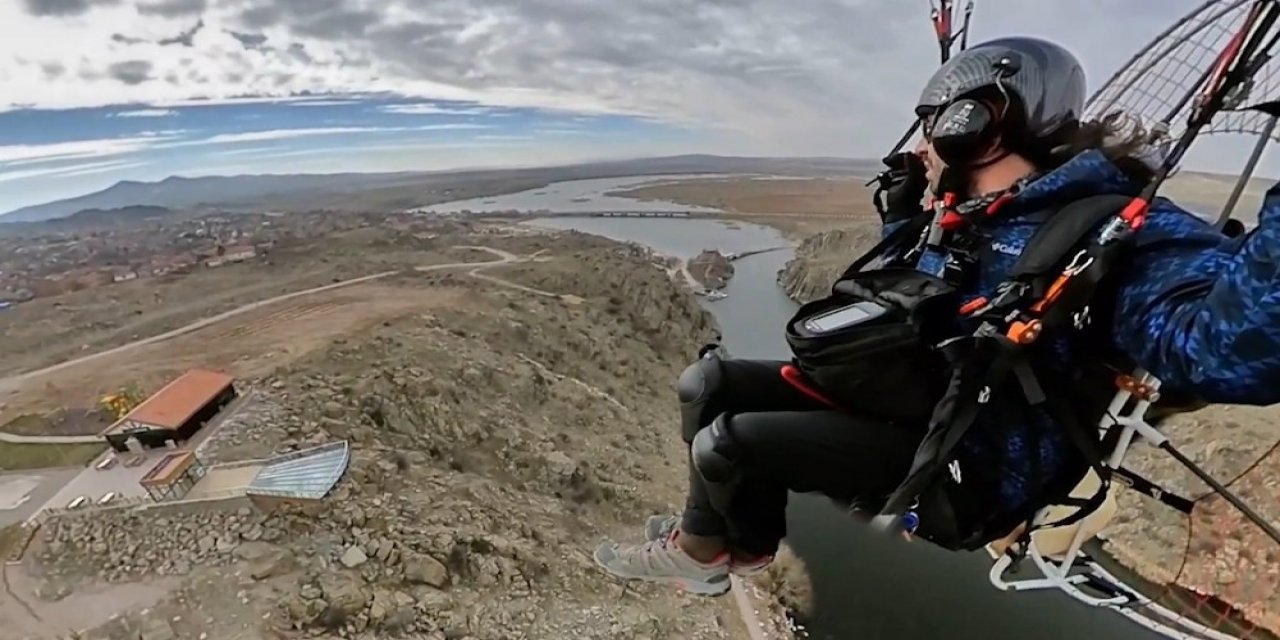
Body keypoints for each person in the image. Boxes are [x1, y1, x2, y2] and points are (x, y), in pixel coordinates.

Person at [592, 36, 1280, 597]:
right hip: (921, 400)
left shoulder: (1117, 231)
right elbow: (915, 295)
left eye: (931, 127)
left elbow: (1229, 355)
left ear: (972, 124)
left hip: (971, 460)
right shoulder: (976, 210)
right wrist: (902, 218)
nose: (920, 145)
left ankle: (708, 554)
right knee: (706, 385)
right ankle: (723, 546)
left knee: (729, 442)